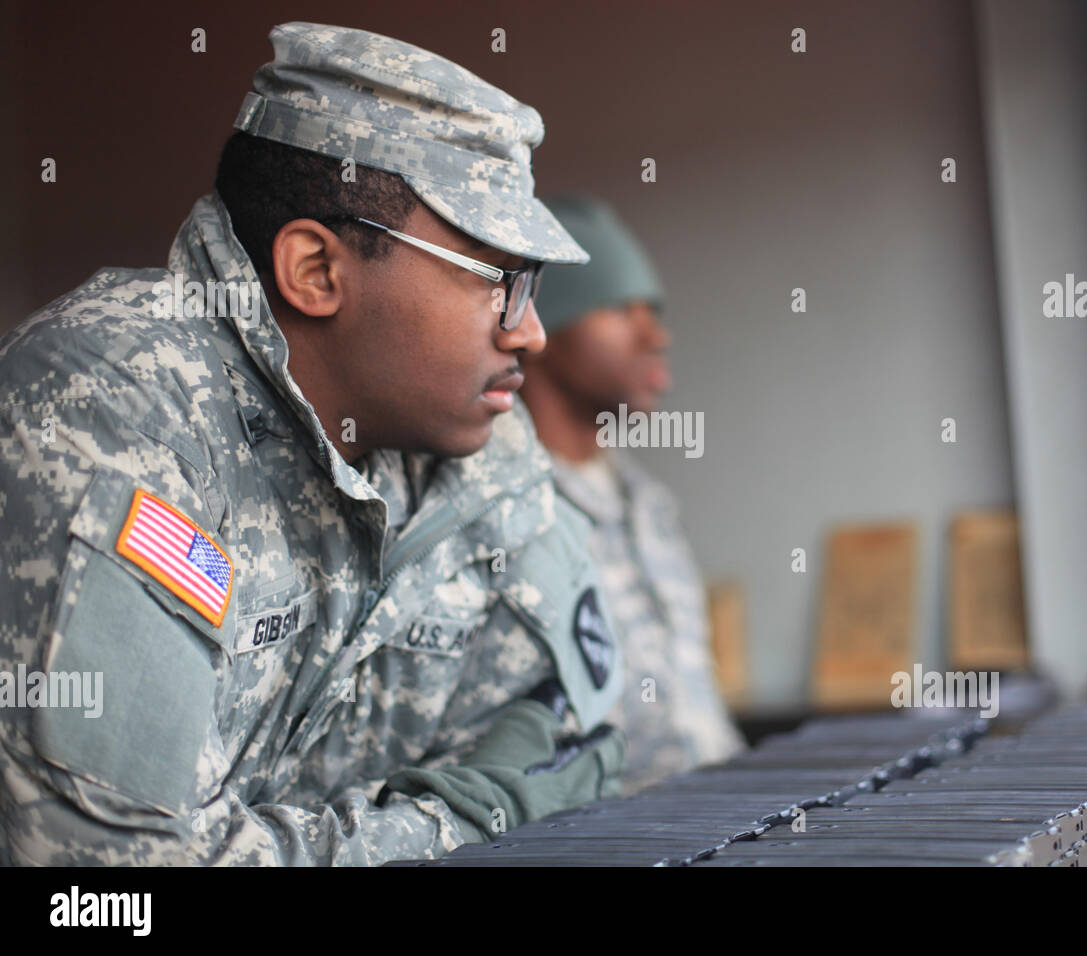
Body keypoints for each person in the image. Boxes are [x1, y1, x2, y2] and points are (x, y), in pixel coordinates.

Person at [0, 22, 625, 866]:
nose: (533, 334)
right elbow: (114, 880)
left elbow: (573, 753)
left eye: (535, 288)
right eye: (496, 282)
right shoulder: (111, 401)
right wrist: (453, 828)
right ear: (317, 271)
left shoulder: (482, 460)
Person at [520, 195, 744, 792]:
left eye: (655, 310)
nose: (656, 334)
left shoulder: (648, 503)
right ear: (542, 324)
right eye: (620, 307)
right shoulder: (501, 508)